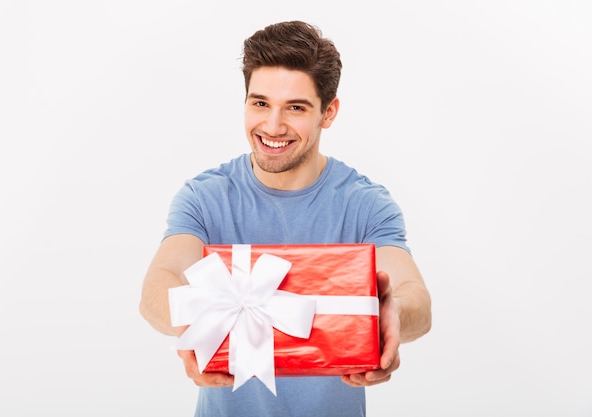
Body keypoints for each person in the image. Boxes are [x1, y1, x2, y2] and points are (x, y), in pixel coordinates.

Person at [139, 20, 431, 417]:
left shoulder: (364, 203)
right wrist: (191, 326)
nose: (272, 127)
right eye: (260, 103)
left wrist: (390, 316)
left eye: (295, 107)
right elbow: (160, 283)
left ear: (328, 113)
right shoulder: (205, 196)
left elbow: (415, 296)